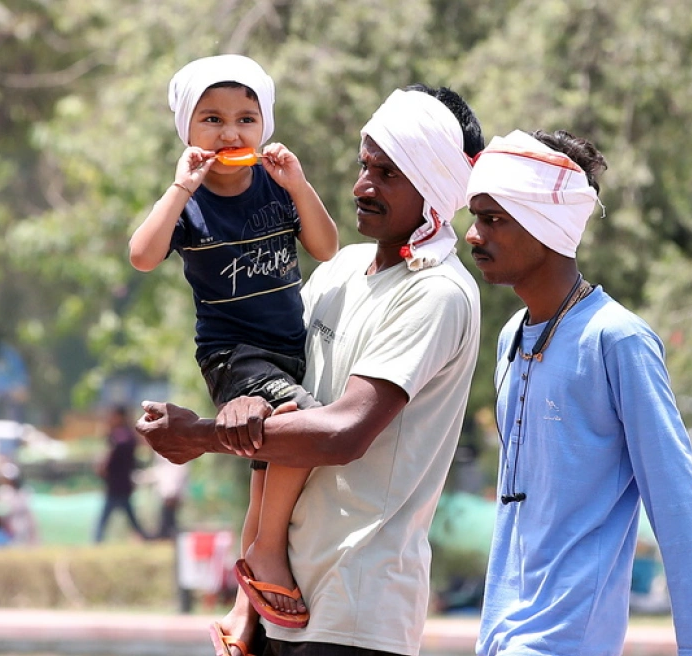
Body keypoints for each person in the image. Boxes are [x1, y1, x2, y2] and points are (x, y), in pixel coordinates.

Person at [138, 84, 484, 656]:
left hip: (359, 608)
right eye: (364, 166)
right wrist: (241, 404)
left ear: (435, 186)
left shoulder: (437, 292)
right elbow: (279, 392)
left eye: (389, 174)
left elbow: (342, 433)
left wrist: (200, 435)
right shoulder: (343, 270)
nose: (362, 187)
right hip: (283, 600)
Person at [464, 129, 692, 655]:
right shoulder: (511, 336)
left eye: (492, 219)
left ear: (546, 227)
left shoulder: (618, 339)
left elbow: (678, 503)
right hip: (498, 637)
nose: (473, 235)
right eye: (475, 217)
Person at [128, 53, 340, 628]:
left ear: (264, 126)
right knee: (300, 418)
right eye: (212, 119)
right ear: (188, 131)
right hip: (232, 356)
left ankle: (243, 608)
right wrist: (179, 186)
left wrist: (299, 183)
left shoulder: (275, 185)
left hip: (288, 348)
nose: (230, 131)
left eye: (246, 118)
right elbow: (142, 255)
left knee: (271, 465)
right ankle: (269, 552)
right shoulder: (190, 202)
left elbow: (325, 247)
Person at [93, 406, 151, 543]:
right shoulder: (126, 435)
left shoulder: (122, 436)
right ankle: (145, 537)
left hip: (118, 484)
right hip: (120, 483)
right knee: (129, 517)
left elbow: (113, 456)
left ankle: (96, 541)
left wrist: (104, 465)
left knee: (104, 519)